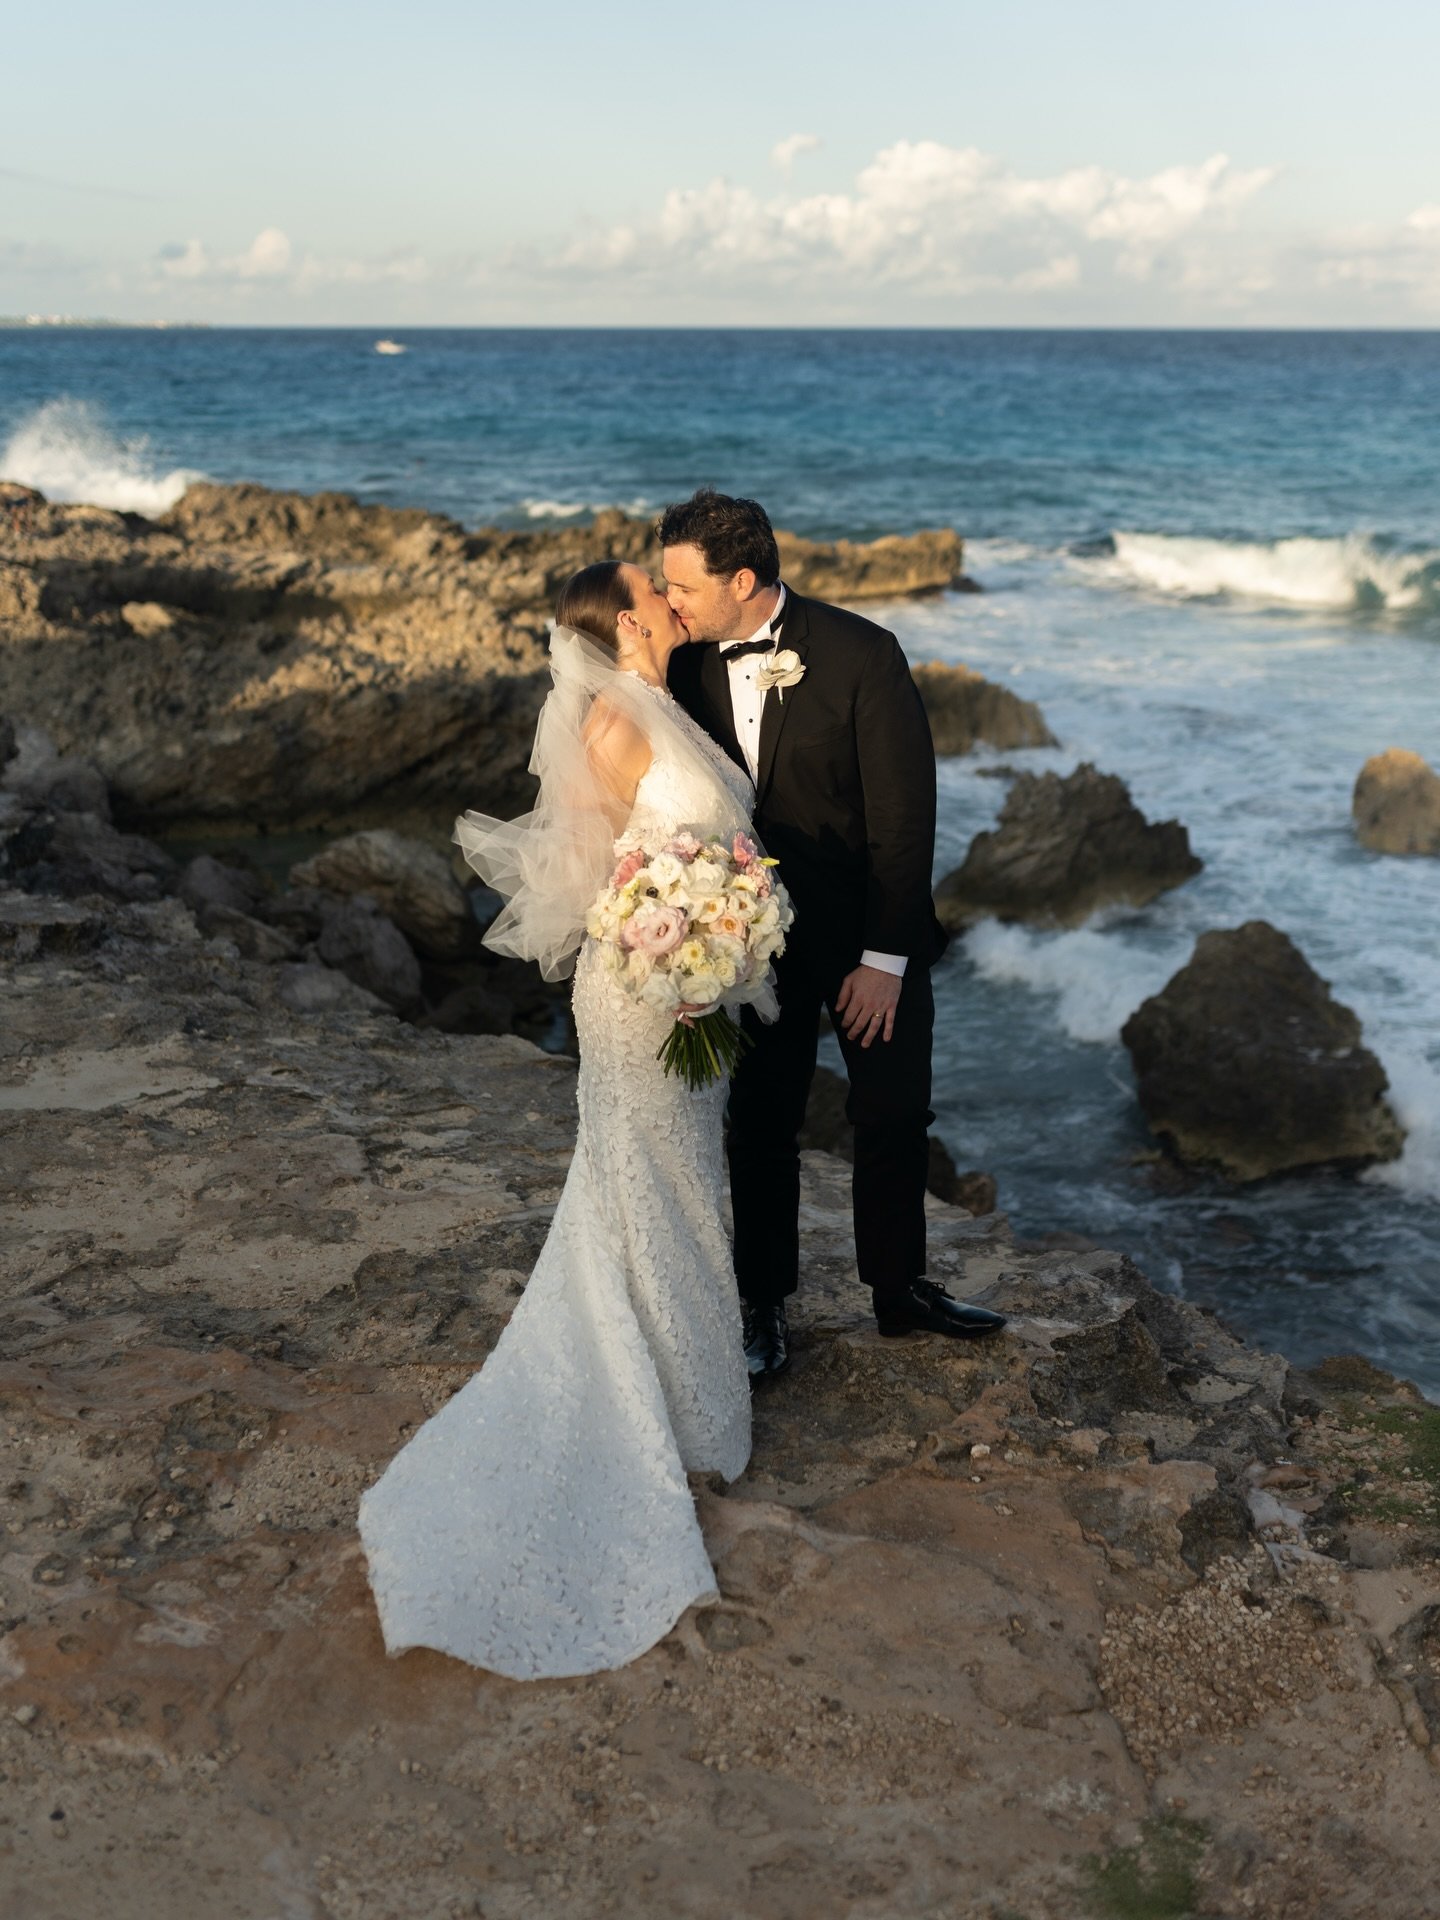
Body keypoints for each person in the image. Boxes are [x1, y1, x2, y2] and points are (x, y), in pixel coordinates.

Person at [358, 561, 761, 1679]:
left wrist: (721, 924)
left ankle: (691, 1404)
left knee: (677, 1178)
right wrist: (675, 936)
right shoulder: (616, 723)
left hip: (689, 977)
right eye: (652, 587)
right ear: (627, 622)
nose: (671, 596)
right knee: (654, 1176)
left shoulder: (661, 705)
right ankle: (667, 1419)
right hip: (648, 989)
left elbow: (690, 848)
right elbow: (599, 878)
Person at [662, 489, 1007, 1378]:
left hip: (867, 939)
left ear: (742, 579)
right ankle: (764, 1308)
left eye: (683, 587)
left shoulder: (863, 655)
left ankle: (899, 1294)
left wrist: (883, 962)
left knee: (891, 1115)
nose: (673, 605)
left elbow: (905, 818)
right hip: (749, 945)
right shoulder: (682, 669)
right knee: (762, 1127)